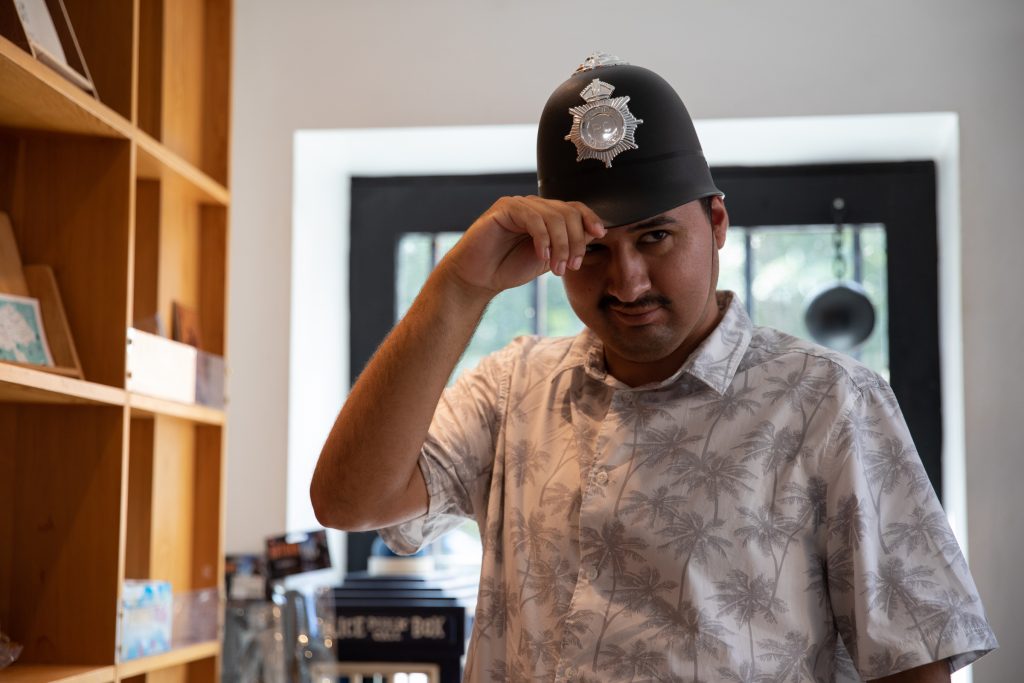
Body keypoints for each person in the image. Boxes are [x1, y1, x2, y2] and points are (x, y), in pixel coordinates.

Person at [311, 54, 996, 682]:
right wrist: (461, 287)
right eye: (595, 250)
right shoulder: (512, 388)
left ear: (717, 223)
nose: (628, 282)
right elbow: (349, 500)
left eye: (656, 237)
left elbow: (913, 662)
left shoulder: (831, 402)